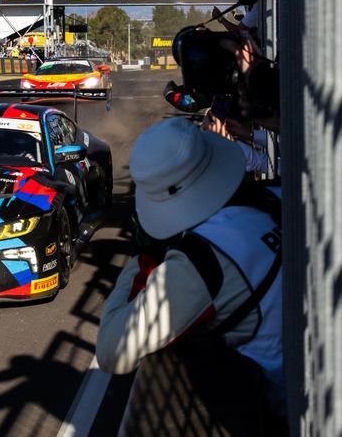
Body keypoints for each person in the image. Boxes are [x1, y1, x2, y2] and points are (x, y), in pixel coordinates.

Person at [96, 118, 284, 430]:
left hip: (292, 409)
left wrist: (141, 256)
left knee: (181, 355)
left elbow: (113, 351)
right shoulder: (273, 195)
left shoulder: (200, 261)